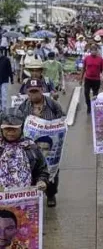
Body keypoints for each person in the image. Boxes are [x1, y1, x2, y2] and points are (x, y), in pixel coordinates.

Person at [18, 79, 65, 208]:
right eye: (31, 92)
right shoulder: (23, 107)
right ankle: (33, 197)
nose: (34, 95)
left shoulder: (53, 105)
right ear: (27, 92)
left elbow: (62, 120)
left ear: (42, 90)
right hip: (31, 147)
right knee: (32, 171)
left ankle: (51, 194)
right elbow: (18, 124)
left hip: (49, 147)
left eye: (36, 91)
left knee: (52, 171)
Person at [0, 108, 49, 190]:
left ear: (22, 128)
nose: (11, 132)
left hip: (27, 198)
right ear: (1, 129)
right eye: (7, 129)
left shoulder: (31, 147)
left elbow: (42, 170)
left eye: (15, 129)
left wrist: (41, 181)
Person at [80, 44, 103, 114]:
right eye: (92, 50)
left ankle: (94, 106)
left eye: (95, 50)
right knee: (86, 93)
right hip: (88, 79)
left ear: (97, 51)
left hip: (96, 80)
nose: (94, 51)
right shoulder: (87, 58)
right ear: (90, 51)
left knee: (95, 95)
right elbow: (83, 69)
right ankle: (89, 106)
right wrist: (81, 79)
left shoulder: (100, 59)